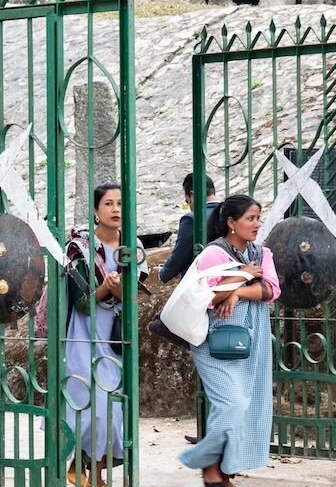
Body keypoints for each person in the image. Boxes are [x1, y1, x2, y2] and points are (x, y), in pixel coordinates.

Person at [178, 194, 281, 487]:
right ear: (231, 223)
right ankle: (203, 461)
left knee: (250, 406)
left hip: (254, 337)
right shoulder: (213, 254)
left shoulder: (263, 254)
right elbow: (207, 295)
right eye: (250, 218)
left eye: (258, 218)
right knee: (232, 404)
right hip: (214, 340)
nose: (257, 224)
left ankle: (219, 472)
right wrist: (243, 276)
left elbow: (271, 290)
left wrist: (236, 290)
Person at [63, 182, 149, 487]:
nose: (116, 210)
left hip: (116, 338)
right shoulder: (79, 248)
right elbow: (82, 302)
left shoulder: (134, 248)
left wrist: (121, 292)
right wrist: (106, 289)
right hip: (84, 335)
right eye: (109, 204)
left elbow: (137, 297)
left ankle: (95, 473)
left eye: (120, 204)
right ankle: (76, 465)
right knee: (87, 403)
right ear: (96, 212)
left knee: (111, 408)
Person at [156, 172, 221, 283]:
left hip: (202, 282)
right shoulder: (228, 211)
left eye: (187, 201)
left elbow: (179, 256)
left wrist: (163, 272)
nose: (189, 207)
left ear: (192, 195)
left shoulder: (192, 219)